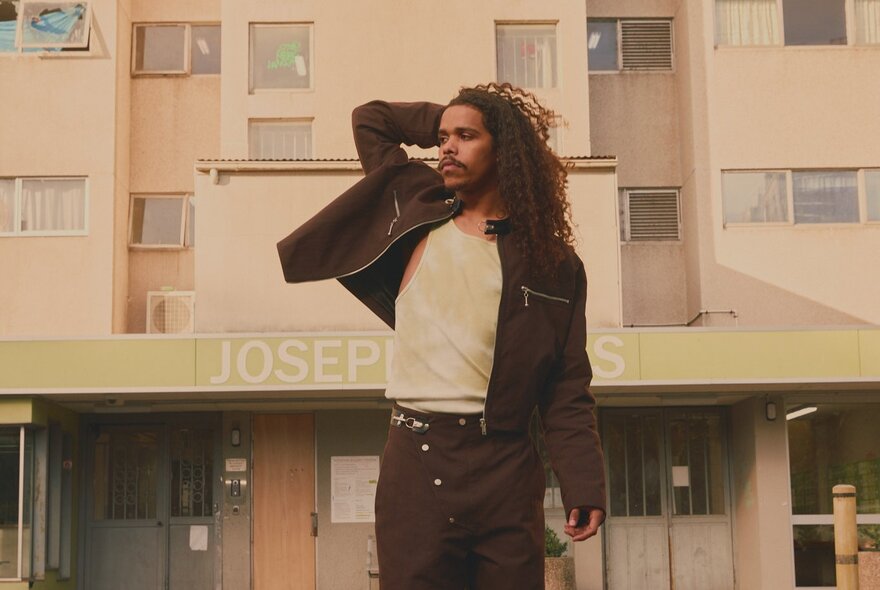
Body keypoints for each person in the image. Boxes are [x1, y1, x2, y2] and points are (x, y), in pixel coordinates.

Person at [277, 83, 605, 590]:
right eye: (443, 137)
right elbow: (372, 118)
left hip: (508, 466)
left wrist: (583, 482)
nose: (447, 146)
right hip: (416, 460)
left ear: (505, 150)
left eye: (466, 136)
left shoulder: (554, 264)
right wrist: (452, 118)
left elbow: (566, 386)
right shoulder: (415, 207)